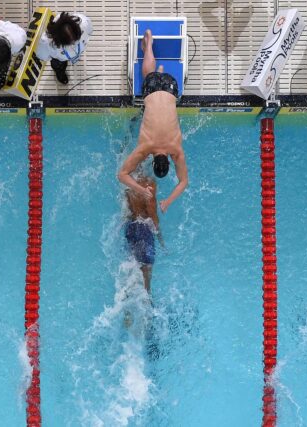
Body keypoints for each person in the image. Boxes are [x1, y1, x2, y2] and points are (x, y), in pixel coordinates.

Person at [118, 30, 188, 213]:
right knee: (148, 76)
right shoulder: (145, 148)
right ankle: (148, 45)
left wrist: (169, 201)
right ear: (152, 159)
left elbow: (184, 182)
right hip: (152, 88)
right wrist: (143, 190)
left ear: (169, 161)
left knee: (158, 84)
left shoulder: (176, 150)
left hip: (172, 86)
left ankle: (160, 69)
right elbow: (122, 175)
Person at [125, 175, 163, 293]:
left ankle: (126, 299)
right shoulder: (149, 184)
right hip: (144, 228)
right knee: (147, 269)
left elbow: (127, 209)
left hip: (130, 226)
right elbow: (152, 214)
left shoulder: (129, 182)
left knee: (132, 264)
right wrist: (160, 237)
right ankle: (147, 299)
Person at [35, 12, 92, 84]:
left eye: (76, 38)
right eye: (71, 42)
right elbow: (42, 55)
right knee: (58, 66)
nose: (74, 43)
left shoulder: (83, 22)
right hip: (59, 59)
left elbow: (90, 31)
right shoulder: (46, 42)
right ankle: (60, 74)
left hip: (77, 51)